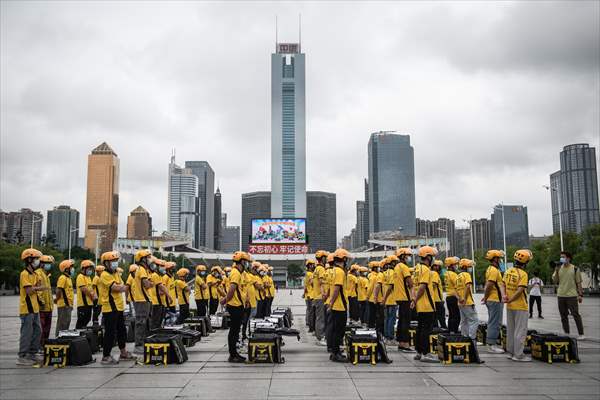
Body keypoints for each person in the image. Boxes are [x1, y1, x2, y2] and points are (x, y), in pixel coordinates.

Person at [97, 251, 136, 365]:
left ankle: (123, 352)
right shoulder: (104, 275)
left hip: (119, 307)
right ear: (106, 263)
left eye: (115, 261)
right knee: (110, 332)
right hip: (110, 307)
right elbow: (118, 288)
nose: (115, 263)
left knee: (122, 330)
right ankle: (106, 356)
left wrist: (122, 287)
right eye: (112, 261)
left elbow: (122, 286)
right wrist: (122, 287)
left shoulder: (116, 274)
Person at [17, 248, 46, 366]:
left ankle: (32, 353)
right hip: (27, 308)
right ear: (29, 259)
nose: (37, 261)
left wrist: (37, 287)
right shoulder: (24, 274)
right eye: (36, 259)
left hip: (35, 308)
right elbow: (29, 291)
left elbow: (36, 286)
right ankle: (22, 355)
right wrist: (39, 288)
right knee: (27, 332)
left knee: (37, 331)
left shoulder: (34, 274)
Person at [221, 251, 251, 363]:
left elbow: (240, 289)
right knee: (234, 331)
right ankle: (232, 355)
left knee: (235, 330)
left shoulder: (239, 273)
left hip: (239, 305)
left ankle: (234, 353)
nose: (248, 264)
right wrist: (225, 300)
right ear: (242, 261)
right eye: (246, 262)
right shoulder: (235, 273)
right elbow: (232, 289)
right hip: (234, 306)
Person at [411, 246, 439, 363]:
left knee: (420, 329)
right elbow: (422, 287)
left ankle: (418, 352)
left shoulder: (417, 269)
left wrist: (414, 300)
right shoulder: (426, 270)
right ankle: (426, 353)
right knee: (426, 330)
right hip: (427, 305)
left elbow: (413, 286)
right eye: (431, 257)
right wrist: (416, 300)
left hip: (420, 306)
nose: (432, 259)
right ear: (428, 257)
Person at [504, 249, 532, 362]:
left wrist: (505, 297)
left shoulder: (508, 271)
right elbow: (520, 290)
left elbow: (502, 284)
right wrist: (511, 299)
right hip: (520, 306)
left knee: (511, 330)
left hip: (509, 306)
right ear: (525, 262)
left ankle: (510, 352)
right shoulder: (523, 274)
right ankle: (519, 355)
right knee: (520, 331)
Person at [552, 251, 584, 339]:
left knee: (575, 314)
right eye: (561, 257)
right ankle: (566, 333)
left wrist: (580, 295)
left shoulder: (575, 269)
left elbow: (579, 283)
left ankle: (581, 334)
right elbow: (555, 281)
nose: (561, 259)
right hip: (561, 295)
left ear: (568, 258)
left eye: (563, 257)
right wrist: (556, 270)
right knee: (563, 316)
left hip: (572, 296)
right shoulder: (559, 268)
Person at [327, 248, 350, 362]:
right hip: (340, 305)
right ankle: (336, 354)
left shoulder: (334, 270)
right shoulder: (340, 272)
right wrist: (331, 302)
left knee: (336, 329)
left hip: (336, 305)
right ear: (343, 259)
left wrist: (331, 303)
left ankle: (334, 352)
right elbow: (336, 288)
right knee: (339, 331)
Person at [482, 250, 507, 353]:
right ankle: (491, 345)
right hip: (494, 300)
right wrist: (486, 297)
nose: (500, 261)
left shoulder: (491, 269)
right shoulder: (493, 270)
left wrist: (503, 296)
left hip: (495, 299)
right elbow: (489, 285)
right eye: (499, 259)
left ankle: (492, 343)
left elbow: (499, 284)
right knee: (494, 323)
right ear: (495, 259)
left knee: (495, 322)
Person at [131, 250, 154, 354]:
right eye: (147, 257)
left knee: (146, 322)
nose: (149, 259)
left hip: (145, 299)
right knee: (141, 322)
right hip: (141, 300)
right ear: (142, 259)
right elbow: (147, 284)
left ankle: (143, 343)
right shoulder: (141, 269)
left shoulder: (145, 269)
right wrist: (151, 283)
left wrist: (150, 282)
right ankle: (138, 345)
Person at [392, 248, 415, 353]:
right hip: (405, 297)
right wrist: (413, 297)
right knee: (406, 321)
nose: (409, 257)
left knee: (401, 321)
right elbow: (410, 283)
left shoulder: (396, 267)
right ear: (402, 256)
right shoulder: (404, 267)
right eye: (407, 255)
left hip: (398, 297)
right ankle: (405, 344)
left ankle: (401, 343)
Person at [456, 258, 478, 343]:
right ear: (465, 267)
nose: (470, 268)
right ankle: (472, 339)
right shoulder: (466, 275)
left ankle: (464, 337)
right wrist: (465, 298)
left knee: (464, 321)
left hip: (460, 303)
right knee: (474, 320)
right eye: (469, 266)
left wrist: (460, 298)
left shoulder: (458, 276)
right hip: (467, 302)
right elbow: (468, 286)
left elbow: (456, 289)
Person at [36, 255, 54, 347]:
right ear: (41, 264)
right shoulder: (38, 273)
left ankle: (44, 346)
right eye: (47, 263)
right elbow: (38, 290)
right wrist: (41, 301)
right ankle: (39, 346)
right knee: (41, 329)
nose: (48, 265)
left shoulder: (46, 275)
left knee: (47, 329)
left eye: (49, 264)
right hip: (42, 308)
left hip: (49, 307)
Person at [54, 259, 75, 335]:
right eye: (71, 267)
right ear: (66, 269)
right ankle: (58, 340)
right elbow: (58, 290)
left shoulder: (68, 278)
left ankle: (63, 340)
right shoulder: (62, 278)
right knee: (62, 324)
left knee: (66, 324)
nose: (72, 269)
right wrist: (57, 299)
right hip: (63, 305)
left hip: (68, 305)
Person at [150, 259, 172, 329]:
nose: (163, 267)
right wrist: (169, 297)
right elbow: (161, 287)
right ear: (156, 266)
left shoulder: (160, 276)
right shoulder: (155, 275)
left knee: (159, 322)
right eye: (161, 266)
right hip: (156, 302)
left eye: (163, 266)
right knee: (156, 322)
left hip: (161, 302)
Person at [312, 251, 328, 346]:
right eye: (325, 257)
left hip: (317, 296)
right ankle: (321, 337)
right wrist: (324, 294)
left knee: (319, 317)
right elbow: (322, 282)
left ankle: (320, 336)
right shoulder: (321, 269)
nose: (326, 259)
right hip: (320, 296)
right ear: (322, 258)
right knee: (321, 318)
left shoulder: (317, 269)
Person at [75, 260, 97, 329]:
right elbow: (84, 289)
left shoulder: (88, 278)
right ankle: (78, 335)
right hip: (83, 304)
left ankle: (82, 336)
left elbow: (90, 289)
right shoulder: (80, 277)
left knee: (87, 319)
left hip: (89, 303)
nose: (90, 270)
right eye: (89, 269)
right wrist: (92, 296)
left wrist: (94, 296)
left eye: (91, 269)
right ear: (84, 269)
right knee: (81, 321)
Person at [382, 256, 399, 343]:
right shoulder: (393, 273)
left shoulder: (385, 273)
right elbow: (390, 287)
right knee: (391, 319)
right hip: (392, 299)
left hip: (387, 299)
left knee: (387, 319)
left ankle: (386, 336)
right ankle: (390, 337)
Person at [443, 257, 460, 333]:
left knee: (451, 315)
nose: (456, 266)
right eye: (455, 265)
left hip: (448, 296)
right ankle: (454, 331)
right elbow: (457, 287)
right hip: (454, 297)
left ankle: (450, 331)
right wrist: (459, 298)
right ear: (451, 265)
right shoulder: (453, 274)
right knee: (456, 316)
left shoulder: (447, 274)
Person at [431, 260, 446, 329]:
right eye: (439, 267)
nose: (440, 268)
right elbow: (433, 285)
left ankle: (436, 330)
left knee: (434, 317)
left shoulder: (430, 273)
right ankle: (444, 330)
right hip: (437, 300)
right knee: (441, 317)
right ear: (436, 267)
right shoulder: (434, 274)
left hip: (433, 299)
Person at [303, 260, 315, 331]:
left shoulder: (308, 274)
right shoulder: (310, 274)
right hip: (311, 295)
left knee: (309, 310)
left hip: (308, 294)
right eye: (313, 265)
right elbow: (311, 283)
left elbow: (305, 285)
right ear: (310, 265)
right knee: (311, 311)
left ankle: (308, 322)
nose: (314, 266)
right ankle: (310, 325)